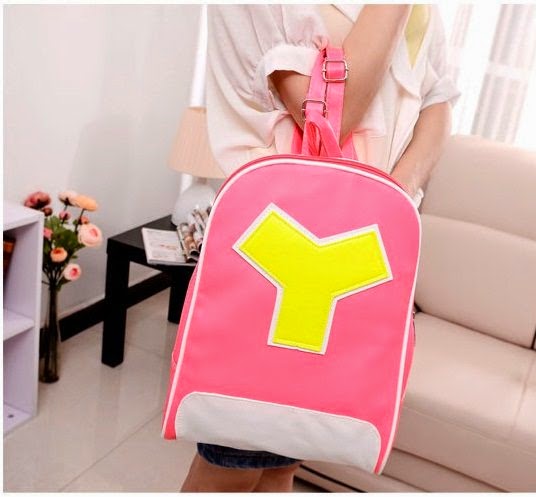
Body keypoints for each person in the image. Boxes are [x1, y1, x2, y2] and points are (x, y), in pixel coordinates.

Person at [180, 4, 459, 492]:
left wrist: (394, 193)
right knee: (230, 463)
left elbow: (438, 98)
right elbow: (332, 113)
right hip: (277, 251)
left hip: (359, 252)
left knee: (283, 462)